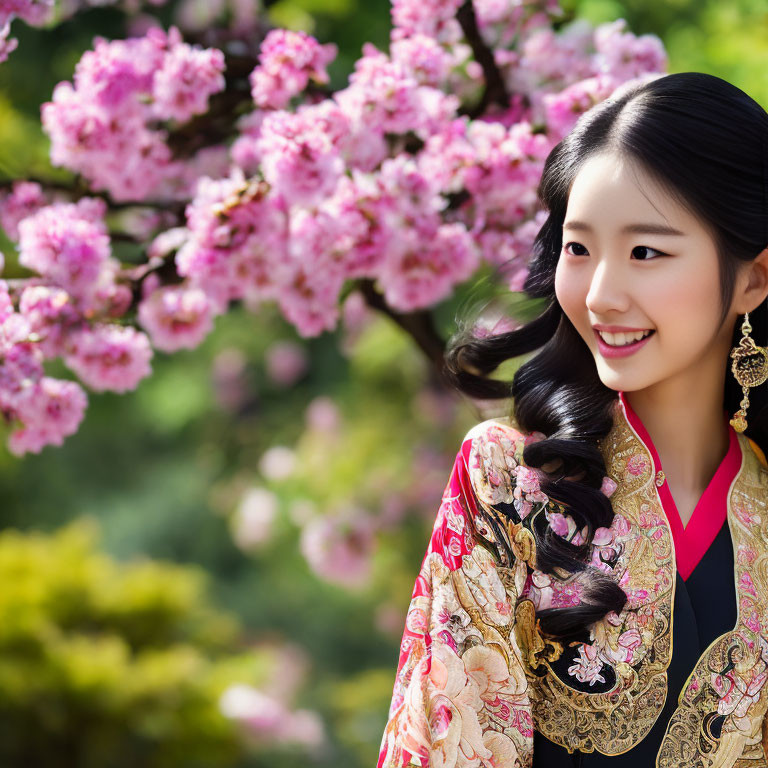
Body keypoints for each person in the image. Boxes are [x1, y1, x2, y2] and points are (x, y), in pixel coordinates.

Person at [376, 71, 768, 768]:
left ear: (754, 277)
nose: (601, 294)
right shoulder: (508, 480)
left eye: (646, 252)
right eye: (579, 249)